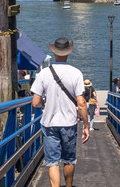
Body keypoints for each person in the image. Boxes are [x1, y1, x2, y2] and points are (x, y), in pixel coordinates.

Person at [31, 37, 90, 187]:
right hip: (69, 123)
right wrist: (86, 126)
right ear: (68, 53)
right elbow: (81, 103)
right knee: (69, 159)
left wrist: (46, 102)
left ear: (54, 52)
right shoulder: (76, 73)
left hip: (49, 123)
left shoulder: (43, 73)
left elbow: (36, 102)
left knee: (52, 162)